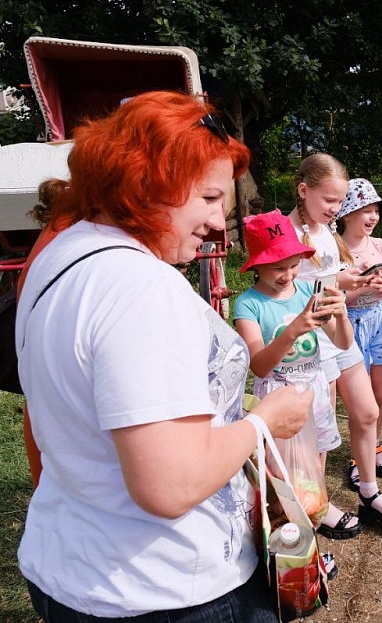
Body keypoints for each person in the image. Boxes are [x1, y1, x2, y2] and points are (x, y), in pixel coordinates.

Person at [15, 91, 313, 620]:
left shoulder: (59, 253)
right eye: (209, 198)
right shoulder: (140, 289)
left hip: (74, 564)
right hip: (165, 588)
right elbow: (170, 484)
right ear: (146, 181)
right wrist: (264, 422)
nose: (222, 222)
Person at [287, 153, 382, 533]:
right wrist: (338, 285)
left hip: (340, 331)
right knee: (320, 432)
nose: (336, 209)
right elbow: (283, 287)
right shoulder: (285, 232)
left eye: (340, 203)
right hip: (310, 339)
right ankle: (316, 505)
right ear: (303, 191)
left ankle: (369, 493)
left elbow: (332, 275)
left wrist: (357, 280)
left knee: (368, 411)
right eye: (329, 201)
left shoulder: (326, 231)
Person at [234, 210, 362, 540]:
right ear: (256, 265)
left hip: (314, 391)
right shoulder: (249, 305)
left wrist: (342, 314)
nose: (288, 273)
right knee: (281, 470)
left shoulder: (307, 292)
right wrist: (293, 330)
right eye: (278, 266)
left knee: (314, 462)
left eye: (293, 265)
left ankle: (314, 520)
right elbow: (259, 365)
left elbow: (341, 341)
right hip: (277, 396)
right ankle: (290, 533)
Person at [336, 178, 382, 469]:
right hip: (349, 324)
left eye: (376, 210)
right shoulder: (336, 249)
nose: (373, 216)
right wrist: (361, 288)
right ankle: (358, 459)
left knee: (379, 393)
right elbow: (337, 298)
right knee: (359, 400)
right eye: (366, 210)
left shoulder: (380, 245)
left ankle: (375, 448)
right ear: (347, 213)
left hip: (381, 320)